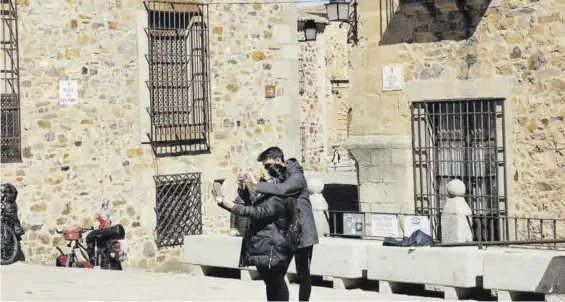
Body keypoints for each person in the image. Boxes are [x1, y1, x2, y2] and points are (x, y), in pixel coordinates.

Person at [245, 147, 319, 302]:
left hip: (303, 232)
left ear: (277, 160)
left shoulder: (296, 176)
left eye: (267, 165)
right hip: (284, 234)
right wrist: (245, 187)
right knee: (276, 275)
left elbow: (283, 190)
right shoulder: (275, 176)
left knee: (303, 272)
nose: (266, 169)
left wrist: (256, 184)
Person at [217, 163, 296, 301]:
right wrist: (242, 189)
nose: (261, 182)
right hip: (265, 245)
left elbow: (256, 212)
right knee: (271, 284)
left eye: (265, 178)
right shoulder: (269, 195)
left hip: (273, 248)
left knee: (276, 283)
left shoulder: (277, 199)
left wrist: (229, 205)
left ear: (274, 181)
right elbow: (253, 203)